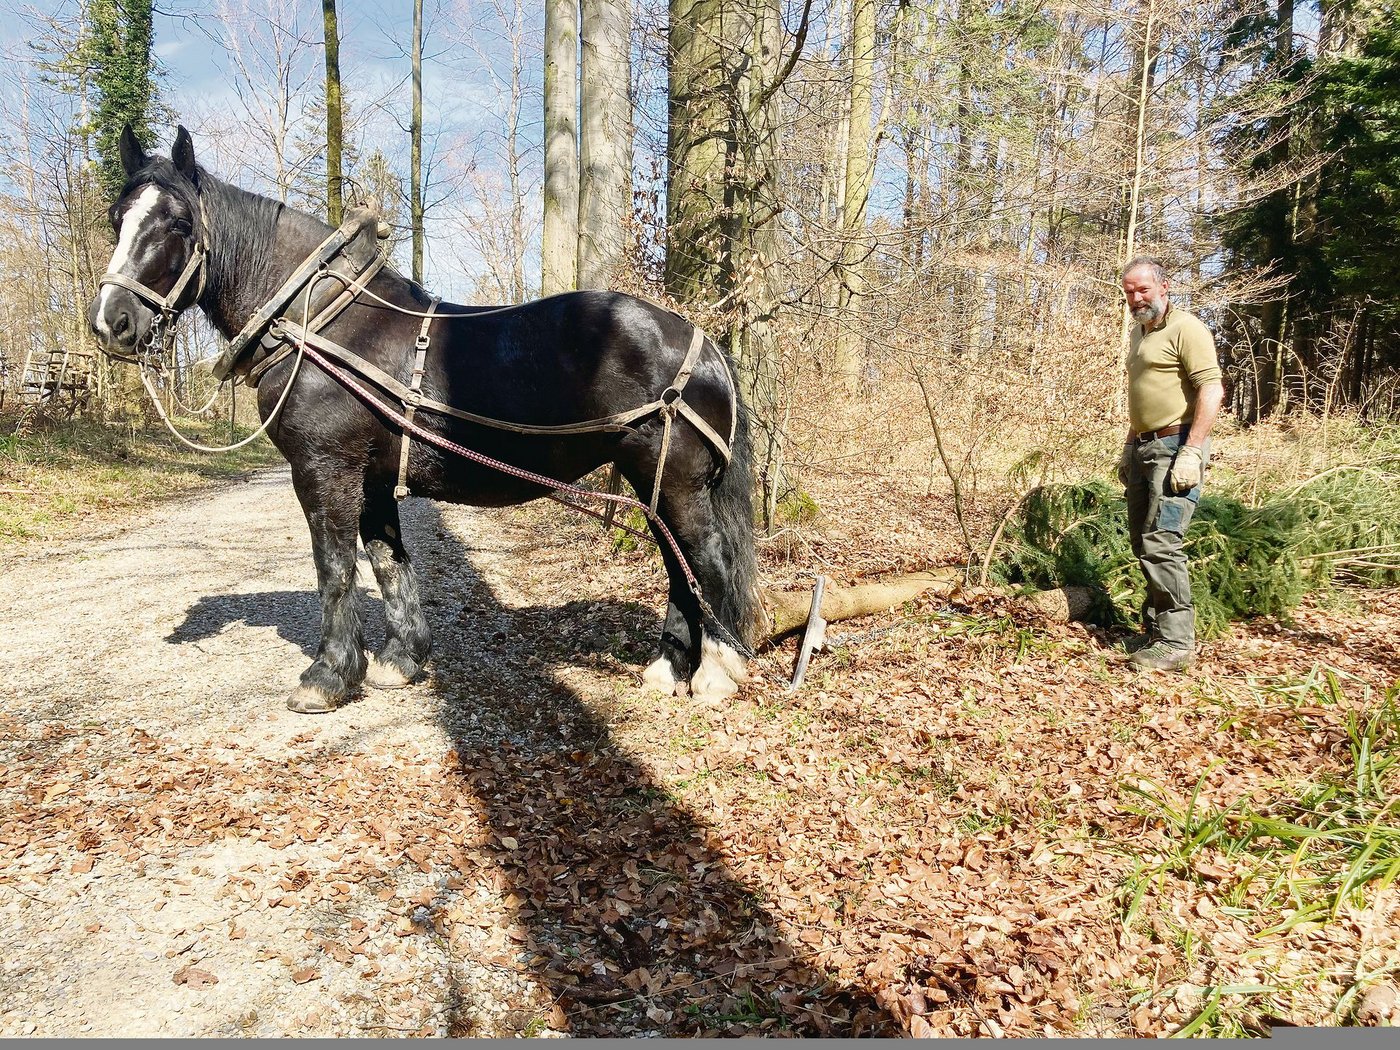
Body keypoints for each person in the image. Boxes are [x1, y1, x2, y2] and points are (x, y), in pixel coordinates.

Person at [1116, 257, 1224, 671]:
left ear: (1164, 287)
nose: (1135, 298)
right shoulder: (1138, 333)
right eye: (1129, 291)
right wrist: (1128, 447)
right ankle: (1156, 631)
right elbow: (1143, 397)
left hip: (1175, 446)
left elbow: (1211, 389)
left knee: (1162, 540)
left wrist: (1193, 451)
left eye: (1142, 289)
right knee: (1142, 542)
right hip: (1143, 447)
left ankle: (1178, 644)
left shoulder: (1187, 328)